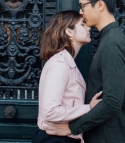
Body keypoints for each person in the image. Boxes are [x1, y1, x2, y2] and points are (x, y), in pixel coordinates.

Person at [46, 0, 125, 143]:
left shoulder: (112, 44)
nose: (80, 12)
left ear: (100, 5)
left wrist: (71, 128)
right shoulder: (108, 40)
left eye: (83, 6)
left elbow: (112, 102)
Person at [33, 10, 103, 143]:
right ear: (69, 32)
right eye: (82, 24)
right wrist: (89, 107)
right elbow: (50, 111)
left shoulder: (66, 62)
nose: (89, 27)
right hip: (55, 139)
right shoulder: (60, 65)